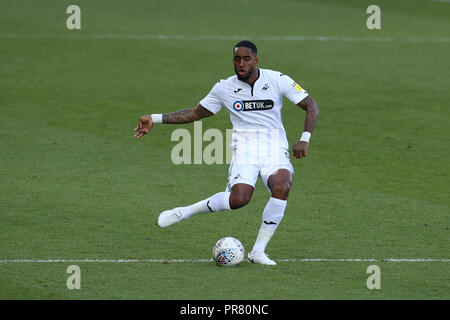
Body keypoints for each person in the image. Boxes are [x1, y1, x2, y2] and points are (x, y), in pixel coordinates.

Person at [134, 40, 319, 265]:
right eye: (237, 59)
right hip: (245, 151)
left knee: (282, 185)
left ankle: (258, 252)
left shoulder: (277, 79)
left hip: (274, 149)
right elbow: (195, 113)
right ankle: (184, 211)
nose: (241, 64)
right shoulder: (224, 88)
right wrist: (155, 118)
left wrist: (304, 139)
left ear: (256, 60)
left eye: (246, 59)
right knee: (239, 199)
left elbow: (311, 105)